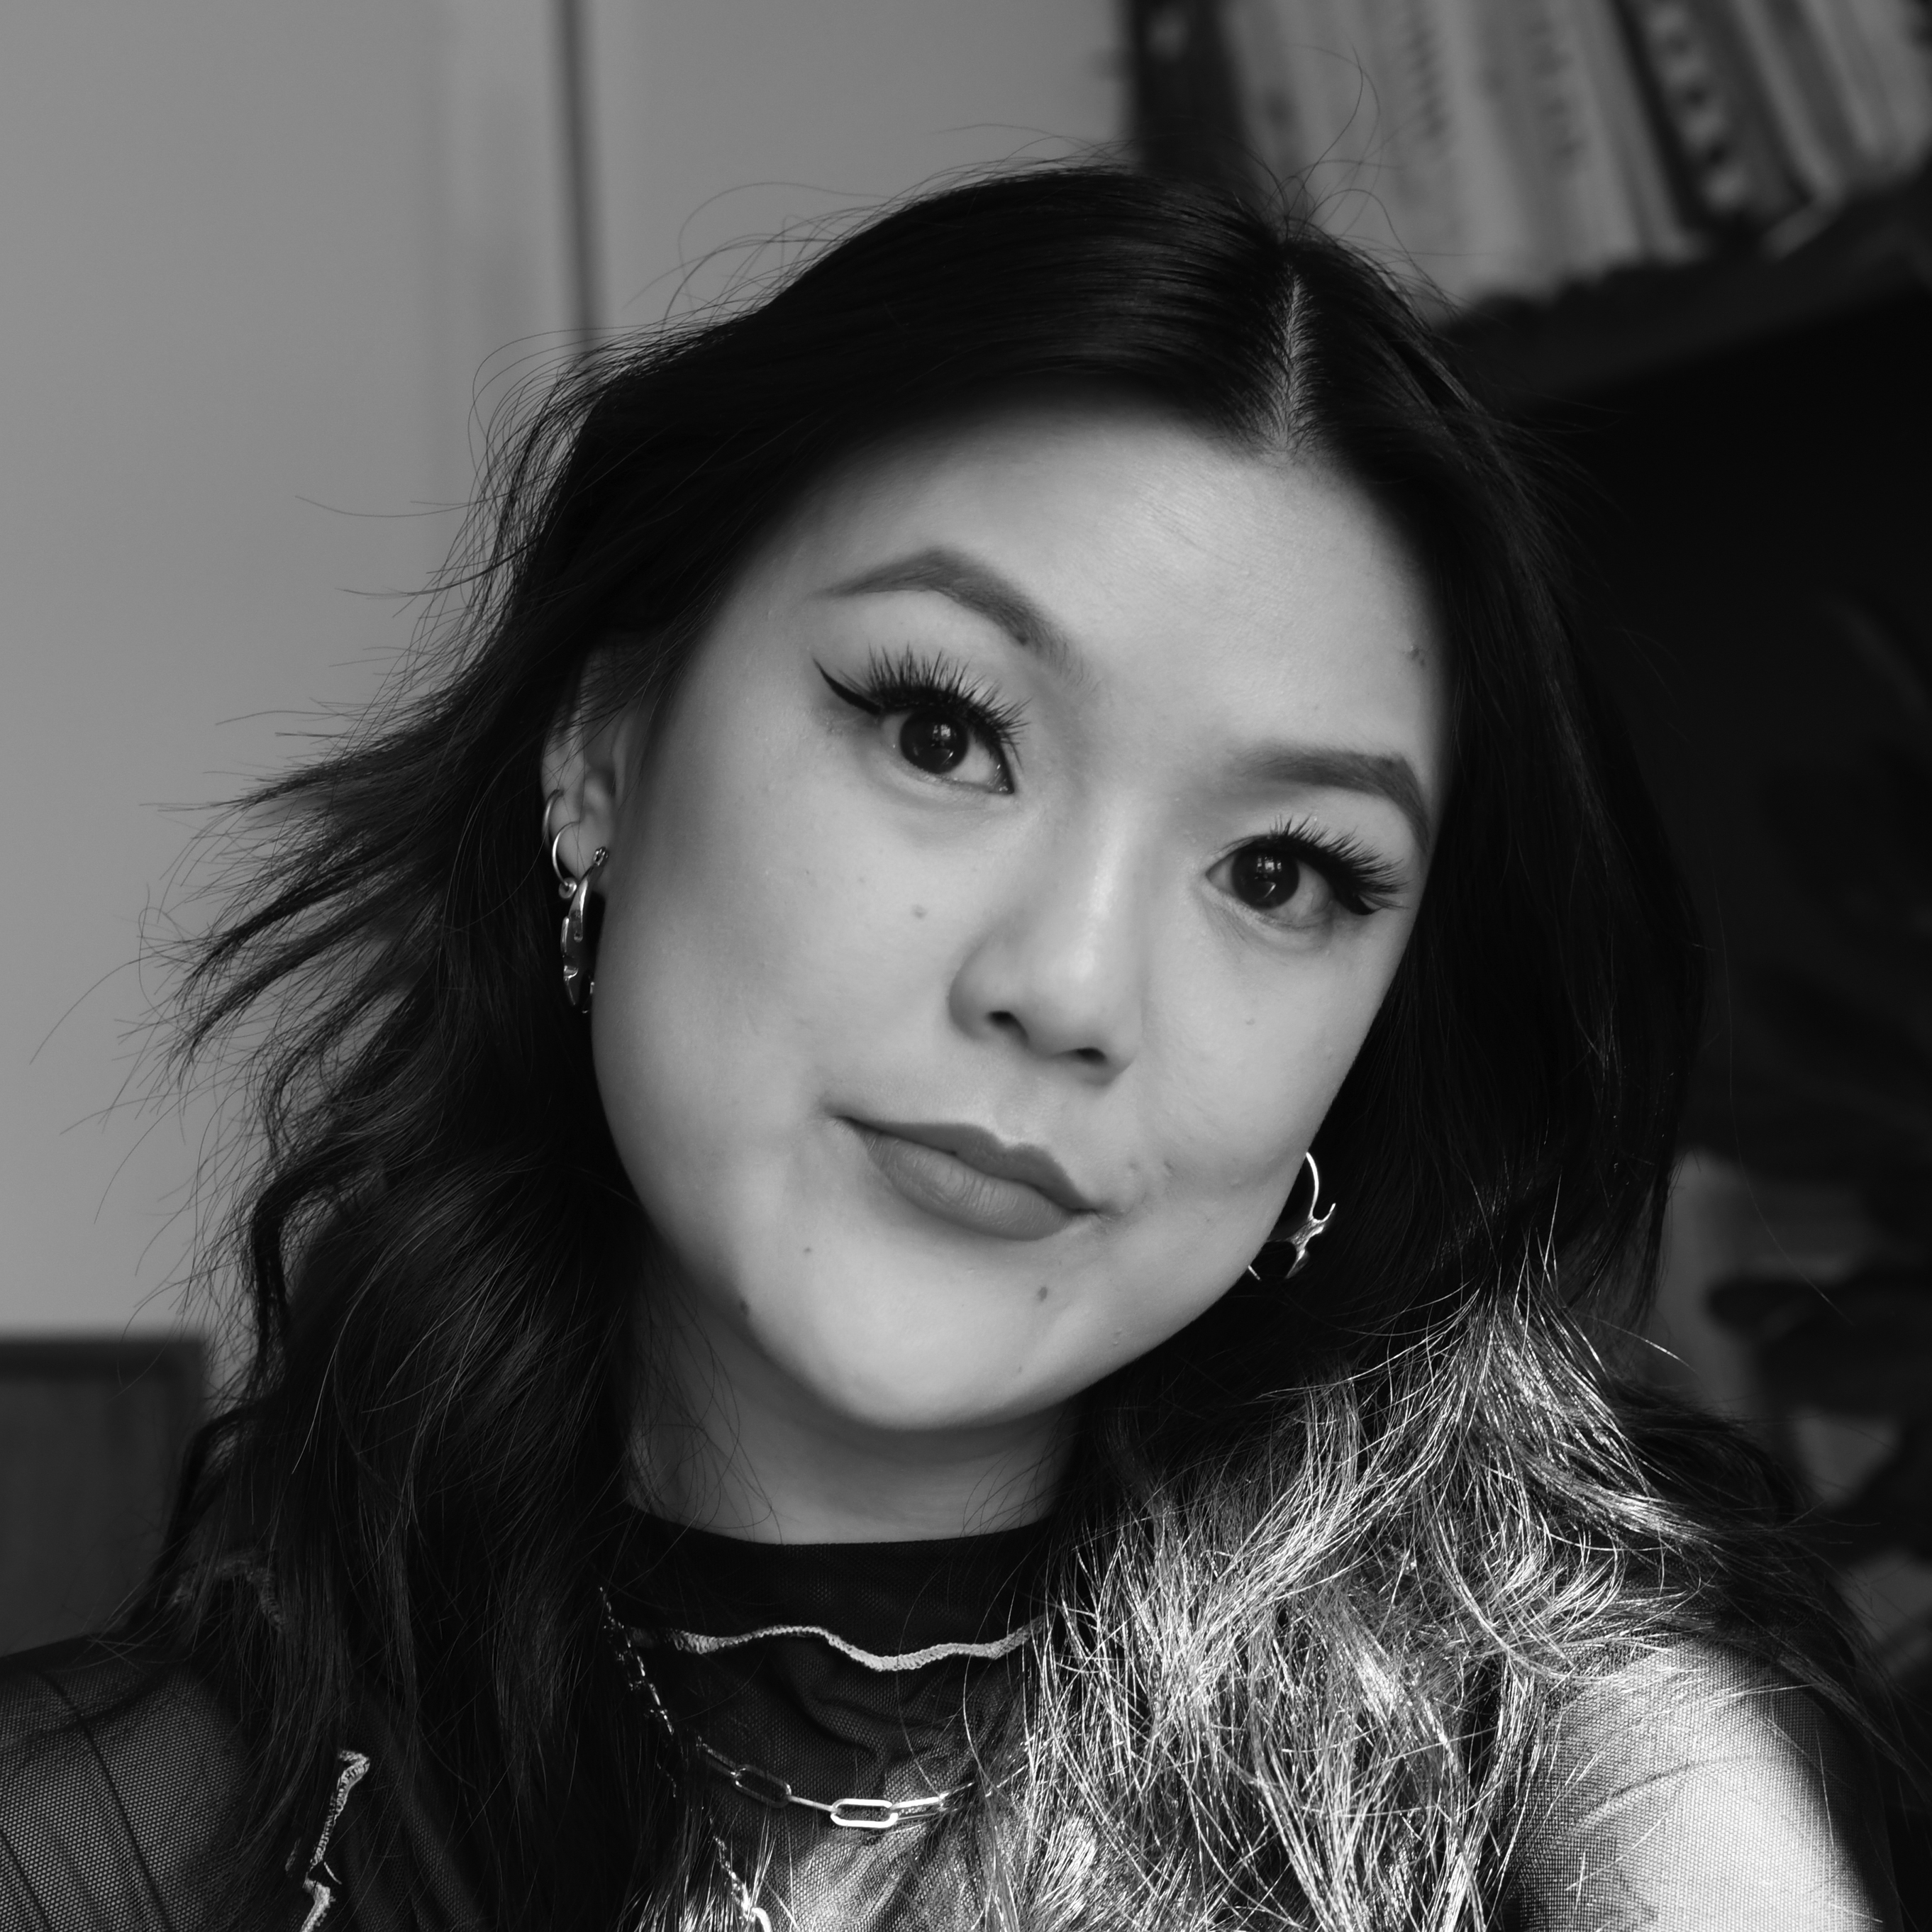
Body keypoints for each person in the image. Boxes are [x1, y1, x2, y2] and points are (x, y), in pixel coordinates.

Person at [0, 167, 1902, 1931]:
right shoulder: (127, 1830)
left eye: (1279, 869)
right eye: (937, 730)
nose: (1069, 985)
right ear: (604, 753)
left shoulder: (1594, 1741)